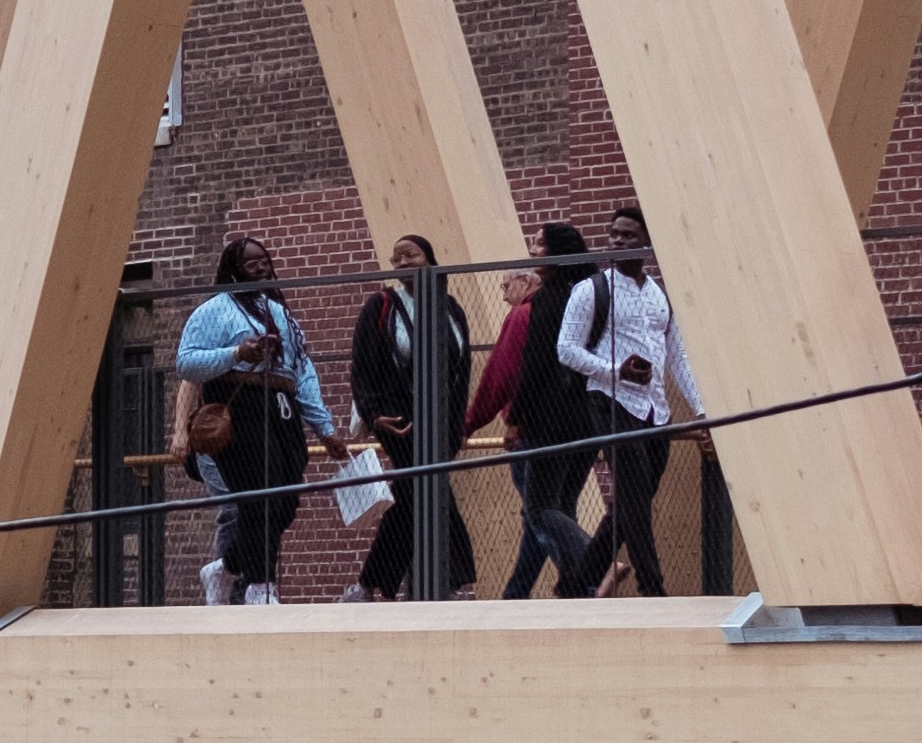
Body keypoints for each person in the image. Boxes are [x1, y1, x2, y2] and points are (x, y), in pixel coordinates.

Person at [171, 238, 333, 604]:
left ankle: (226, 567)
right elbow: (186, 363)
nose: (261, 268)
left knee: (284, 502)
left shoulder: (279, 311)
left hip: (281, 405)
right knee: (258, 498)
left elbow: (302, 369)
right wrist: (238, 352)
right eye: (250, 264)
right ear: (233, 270)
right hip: (239, 404)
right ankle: (261, 587)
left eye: (264, 261)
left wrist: (325, 428)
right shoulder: (213, 310)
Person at [558, 201, 702, 595]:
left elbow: (679, 357)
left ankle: (577, 583)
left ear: (647, 243)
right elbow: (566, 349)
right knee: (636, 501)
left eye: (628, 235)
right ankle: (653, 589)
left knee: (630, 505)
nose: (618, 241)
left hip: (656, 411)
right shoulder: (590, 290)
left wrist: (701, 409)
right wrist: (615, 370)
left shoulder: (660, 296)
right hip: (609, 400)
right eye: (614, 234)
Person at [468, 225, 604, 594]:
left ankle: (593, 569)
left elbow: (509, 374)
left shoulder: (531, 311)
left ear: (524, 282)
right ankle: (564, 588)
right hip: (590, 420)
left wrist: (498, 421)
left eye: (504, 286)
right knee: (559, 509)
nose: (502, 295)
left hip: (542, 424)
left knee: (540, 509)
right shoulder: (590, 296)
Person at [349, 236, 475, 599]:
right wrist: (374, 415)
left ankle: (371, 585)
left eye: (411, 255)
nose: (402, 263)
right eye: (397, 258)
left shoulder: (450, 307)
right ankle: (451, 580)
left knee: (411, 498)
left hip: (442, 422)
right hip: (399, 421)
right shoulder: (382, 305)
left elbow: (462, 368)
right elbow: (363, 366)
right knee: (431, 491)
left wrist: (458, 424)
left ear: (430, 260)